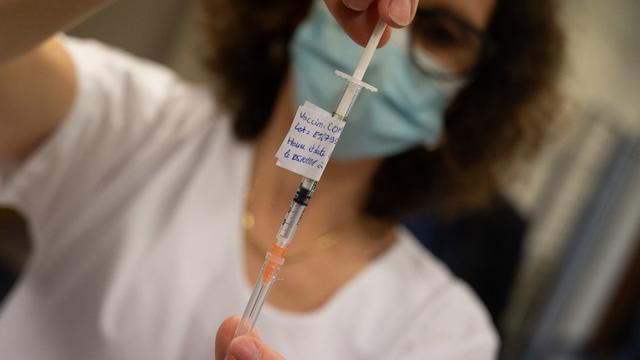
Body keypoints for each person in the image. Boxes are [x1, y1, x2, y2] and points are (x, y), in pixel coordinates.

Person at [0, 0, 563, 359]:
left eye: (442, 32)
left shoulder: (442, 332)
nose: (393, 38)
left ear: (477, 93)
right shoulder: (138, 126)